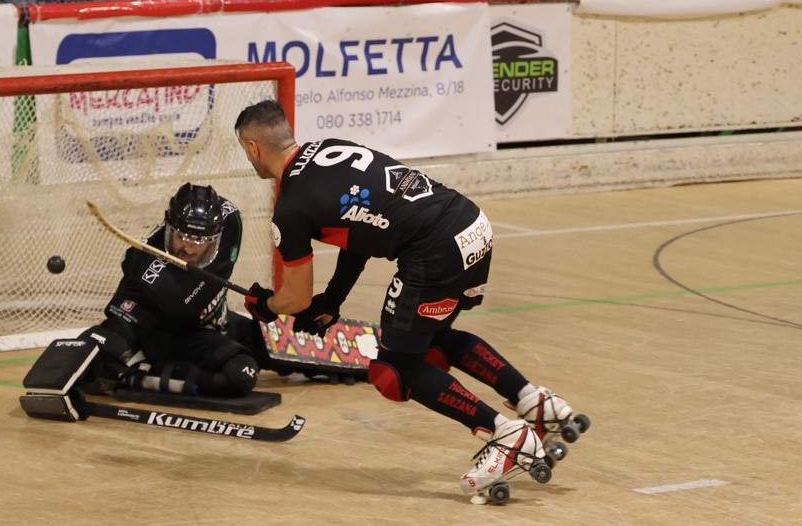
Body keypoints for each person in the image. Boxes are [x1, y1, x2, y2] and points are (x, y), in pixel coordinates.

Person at [233, 99, 587, 500]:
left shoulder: (291, 206)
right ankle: (534, 401)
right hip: (471, 223)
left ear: (253, 148)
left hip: (434, 251)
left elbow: (294, 299)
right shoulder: (330, 148)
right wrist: (333, 298)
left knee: (393, 370)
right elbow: (359, 231)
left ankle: (506, 435)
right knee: (431, 340)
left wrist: (265, 306)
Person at [23, 183, 264, 402]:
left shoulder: (230, 220)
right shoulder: (144, 267)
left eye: (200, 241)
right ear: (169, 225)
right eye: (181, 237)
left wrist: (269, 304)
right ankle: (145, 377)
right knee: (243, 374)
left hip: (221, 321)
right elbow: (121, 321)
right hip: (181, 337)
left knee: (290, 342)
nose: (188, 247)